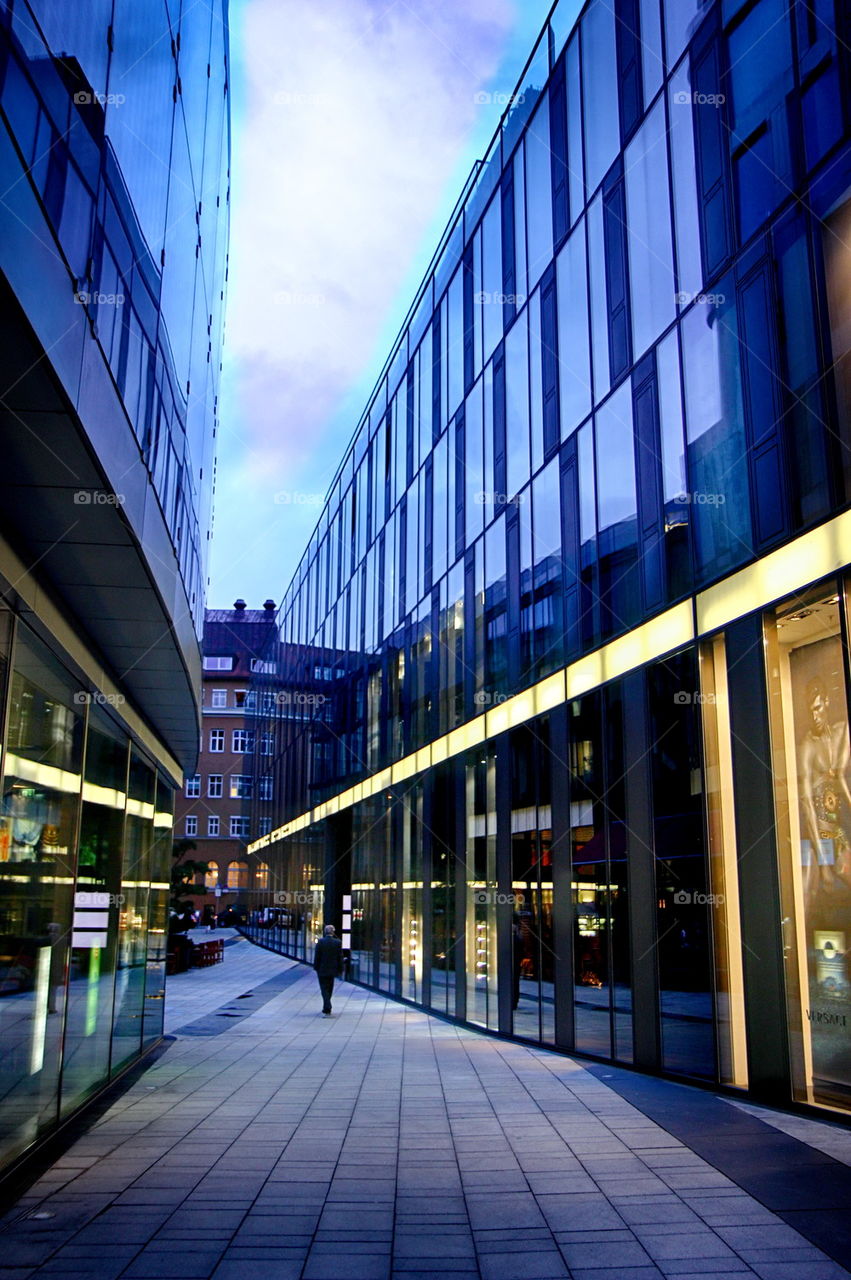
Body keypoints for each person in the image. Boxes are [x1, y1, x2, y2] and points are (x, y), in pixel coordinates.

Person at [313, 923, 343, 1016]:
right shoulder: (337, 942)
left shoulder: (320, 942)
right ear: (333, 932)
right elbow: (340, 957)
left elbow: (317, 956)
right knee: (330, 988)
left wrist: (316, 967)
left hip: (322, 969)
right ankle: (327, 1005)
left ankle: (327, 1005)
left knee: (323, 988)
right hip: (332, 969)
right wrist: (340, 969)